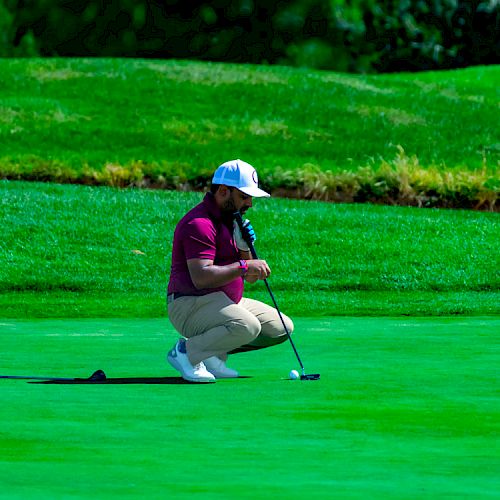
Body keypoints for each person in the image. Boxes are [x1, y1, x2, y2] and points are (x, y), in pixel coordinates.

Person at [166, 159, 294, 382]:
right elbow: (201, 278)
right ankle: (187, 353)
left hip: (225, 301)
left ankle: (212, 354)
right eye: (244, 197)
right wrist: (244, 265)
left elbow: (252, 278)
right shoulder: (199, 223)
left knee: (281, 328)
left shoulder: (232, 221)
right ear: (224, 191)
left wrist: (244, 248)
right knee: (247, 326)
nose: (250, 203)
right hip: (189, 304)